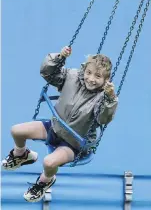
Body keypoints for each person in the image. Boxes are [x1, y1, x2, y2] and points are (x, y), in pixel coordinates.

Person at [1, 46, 118, 202]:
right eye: (89, 72)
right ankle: (22, 154)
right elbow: (48, 73)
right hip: (55, 128)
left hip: (74, 143)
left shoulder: (102, 98)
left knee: (49, 162)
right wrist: (59, 57)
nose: (91, 78)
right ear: (84, 70)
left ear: (105, 80)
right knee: (16, 130)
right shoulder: (72, 77)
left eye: (98, 76)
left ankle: (45, 181)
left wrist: (110, 99)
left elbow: (104, 118)